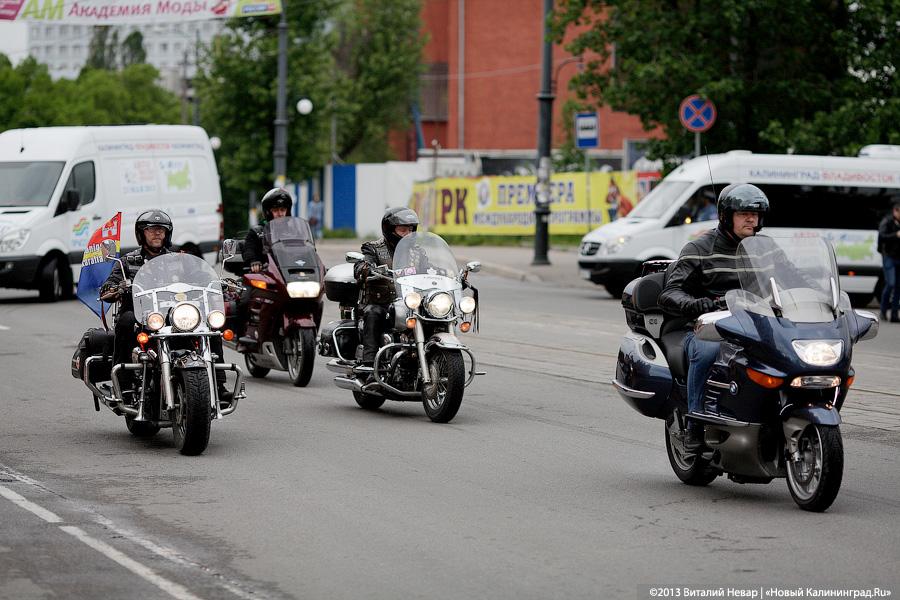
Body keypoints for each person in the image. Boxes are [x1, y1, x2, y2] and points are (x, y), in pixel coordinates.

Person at [658, 183, 770, 450]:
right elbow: (670, 293)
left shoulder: (766, 249)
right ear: (725, 216)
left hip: (755, 324)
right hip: (707, 327)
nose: (751, 219)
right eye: (744, 213)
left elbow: (792, 279)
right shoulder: (700, 248)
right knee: (708, 351)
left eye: (756, 214)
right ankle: (695, 423)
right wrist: (702, 304)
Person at [100, 210, 231, 403]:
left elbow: (201, 278)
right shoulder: (127, 261)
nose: (157, 233)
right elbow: (107, 288)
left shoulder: (179, 259)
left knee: (210, 324)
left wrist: (218, 284)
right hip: (142, 316)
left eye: (161, 230)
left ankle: (219, 386)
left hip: (174, 314)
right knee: (125, 321)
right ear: (141, 234)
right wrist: (115, 288)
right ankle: (124, 384)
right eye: (151, 229)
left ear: (167, 233)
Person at [353, 207, 419, 369]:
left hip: (409, 302)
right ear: (390, 230)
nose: (407, 234)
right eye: (402, 229)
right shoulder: (374, 248)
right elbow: (360, 265)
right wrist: (365, 268)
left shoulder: (417, 252)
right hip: (382, 302)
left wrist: (445, 273)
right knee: (373, 313)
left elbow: (428, 269)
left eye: (410, 230)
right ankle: (369, 366)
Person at [877, 200, 900, 322]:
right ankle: (883, 310)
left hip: (899, 258)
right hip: (889, 257)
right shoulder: (887, 221)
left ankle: (895, 315)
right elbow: (882, 236)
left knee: (898, 287)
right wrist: (895, 235)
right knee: (890, 283)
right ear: (895, 211)